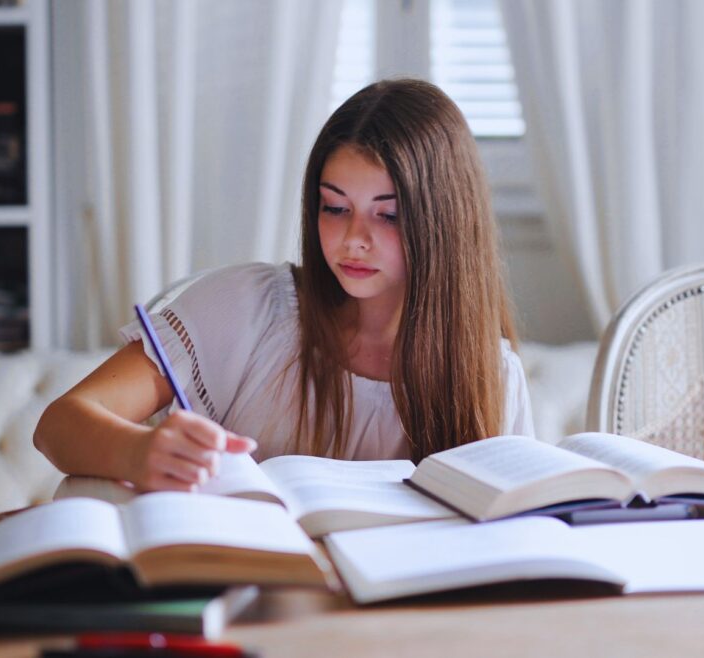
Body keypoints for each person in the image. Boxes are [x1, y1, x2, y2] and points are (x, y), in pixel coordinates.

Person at [34, 78, 535, 492]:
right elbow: (59, 425)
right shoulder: (248, 309)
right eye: (334, 208)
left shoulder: (490, 376)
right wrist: (139, 451)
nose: (353, 240)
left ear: (442, 222)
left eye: (388, 216)